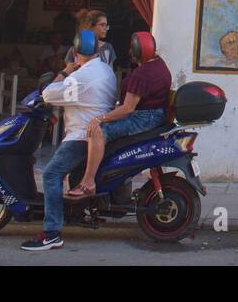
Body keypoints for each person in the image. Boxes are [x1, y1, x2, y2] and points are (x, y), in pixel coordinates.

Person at [21, 29, 117, 252]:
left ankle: (51, 233)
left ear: (74, 52)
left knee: (51, 174)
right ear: (96, 50)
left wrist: (65, 72)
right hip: (94, 133)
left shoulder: (80, 76)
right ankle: (75, 214)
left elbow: (49, 94)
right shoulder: (104, 69)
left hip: (82, 136)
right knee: (68, 173)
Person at [66, 31, 171, 199]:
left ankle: (88, 182)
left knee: (97, 131)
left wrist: (99, 119)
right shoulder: (158, 64)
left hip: (143, 118)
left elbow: (128, 108)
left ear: (138, 52)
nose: (129, 52)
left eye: (132, 49)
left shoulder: (143, 74)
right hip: (154, 114)